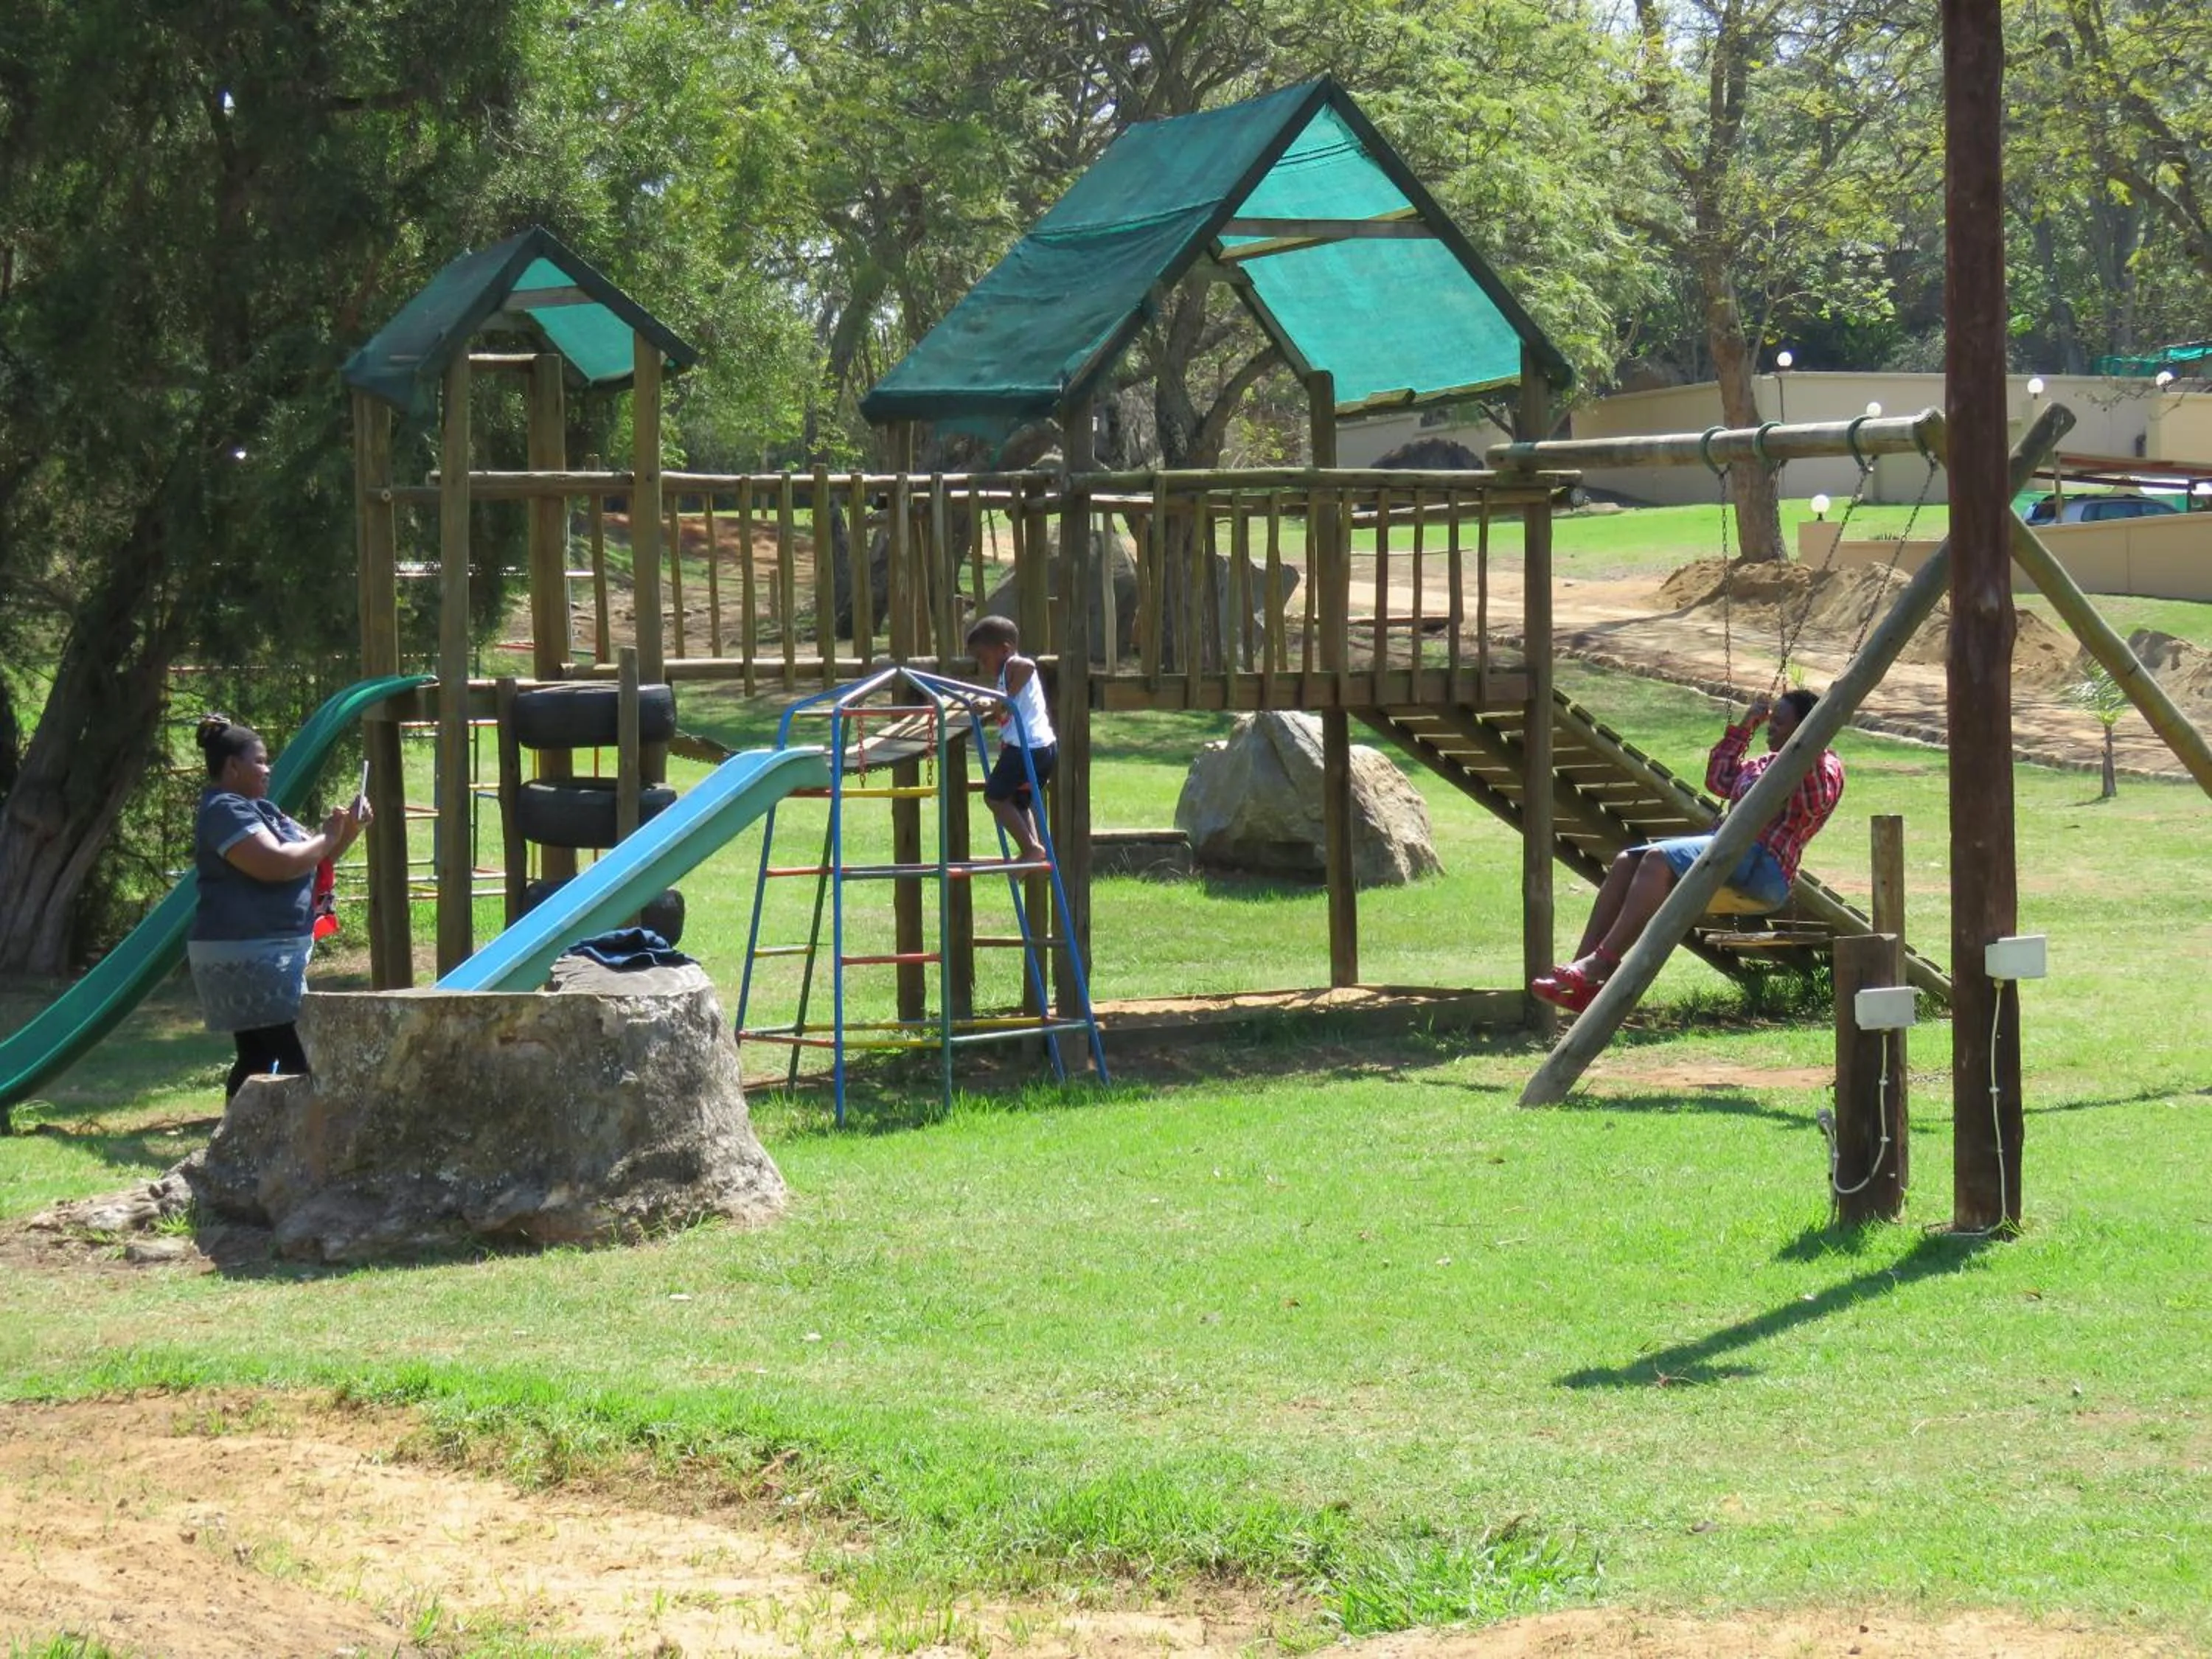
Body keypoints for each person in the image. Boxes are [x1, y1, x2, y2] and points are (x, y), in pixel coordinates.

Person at [1533, 688, 1844, 1013]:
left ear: (1806, 727)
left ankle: (1602, 962)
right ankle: (1582, 973)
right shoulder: (1764, 762)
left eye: (1780, 722)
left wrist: (1809, 743)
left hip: (1765, 868)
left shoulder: (1826, 767)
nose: (1772, 727)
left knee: (1657, 859)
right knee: (1627, 861)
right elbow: (1719, 779)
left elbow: (1813, 801)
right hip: (1731, 854)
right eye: (1772, 721)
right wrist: (1745, 725)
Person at [188, 714, 370, 1099]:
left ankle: (240, 1146)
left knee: (257, 1057)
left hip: (268, 953)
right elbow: (277, 864)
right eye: (259, 760)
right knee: (301, 1058)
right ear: (232, 766)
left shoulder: (261, 809)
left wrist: (348, 830)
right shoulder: (224, 810)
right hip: (249, 955)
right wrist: (326, 836)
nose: (267, 768)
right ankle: (290, 1144)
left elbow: (310, 858)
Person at [963, 615, 1056, 865]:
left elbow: (1029, 666)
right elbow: (1008, 708)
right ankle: (1034, 850)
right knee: (1018, 801)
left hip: (1026, 748)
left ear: (1004, 649)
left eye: (983, 658)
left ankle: (1030, 848)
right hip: (1043, 749)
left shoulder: (1013, 664)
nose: (982, 665)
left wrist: (1005, 700)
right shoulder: (1006, 676)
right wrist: (992, 705)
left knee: (994, 797)